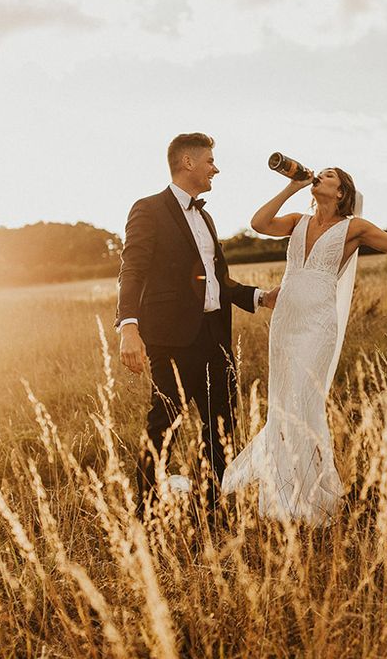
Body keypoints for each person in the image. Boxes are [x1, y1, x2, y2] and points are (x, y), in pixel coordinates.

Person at [221, 167, 387, 525]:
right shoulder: (297, 221)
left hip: (317, 325)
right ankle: (283, 489)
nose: (319, 176)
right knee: (282, 403)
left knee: (303, 402)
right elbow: (259, 223)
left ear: (342, 191)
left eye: (328, 175)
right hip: (284, 323)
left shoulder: (354, 228)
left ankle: (305, 496)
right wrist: (291, 187)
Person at [116, 132, 277, 522]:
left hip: (214, 336)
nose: (215, 169)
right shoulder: (148, 209)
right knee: (164, 422)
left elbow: (218, 279)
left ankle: (212, 505)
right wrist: (128, 326)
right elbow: (132, 269)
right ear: (187, 163)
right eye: (210, 162)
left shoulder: (205, 216)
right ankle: (147, 511)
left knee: (221, 422)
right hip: (171, 340)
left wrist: (259, 297)